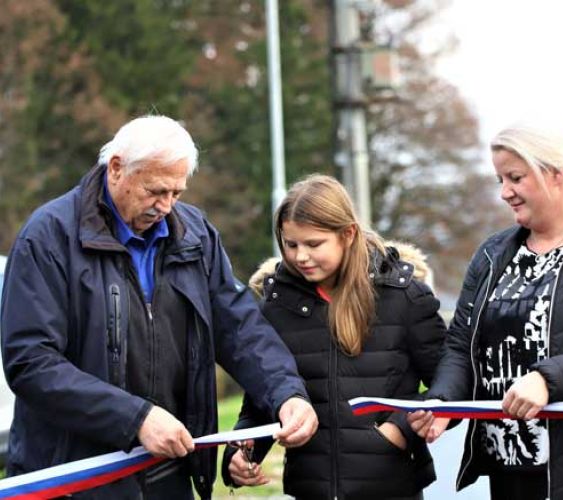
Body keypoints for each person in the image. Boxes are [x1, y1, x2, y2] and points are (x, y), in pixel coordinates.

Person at [0, 115, 317, 499]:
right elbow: (32, 362)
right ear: (116, 168)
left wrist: (286, 393)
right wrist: (136, 419)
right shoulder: (47, 238)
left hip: (166, 474)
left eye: (177, 193)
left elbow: (239, 328)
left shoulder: (196, 235)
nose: (166, 206)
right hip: (74, 479)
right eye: (156, 190)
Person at [408, 123, 563, 500]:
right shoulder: (491, 255)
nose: (504, 192)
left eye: (515, 178)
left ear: (555, 173)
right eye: (500, 179)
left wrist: (547, 381)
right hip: (510, 473)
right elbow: (462, 347)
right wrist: (443, 401)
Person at [220, 175, 446, 499]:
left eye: (313, 244)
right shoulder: (274, 308)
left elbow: (450, 383)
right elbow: (261, 403)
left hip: (392, 487)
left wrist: (398, 430)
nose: (300, 256)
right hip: (310, 490)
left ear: (347, 234)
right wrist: (239, 455)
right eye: (290, 244)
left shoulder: (404, 297)